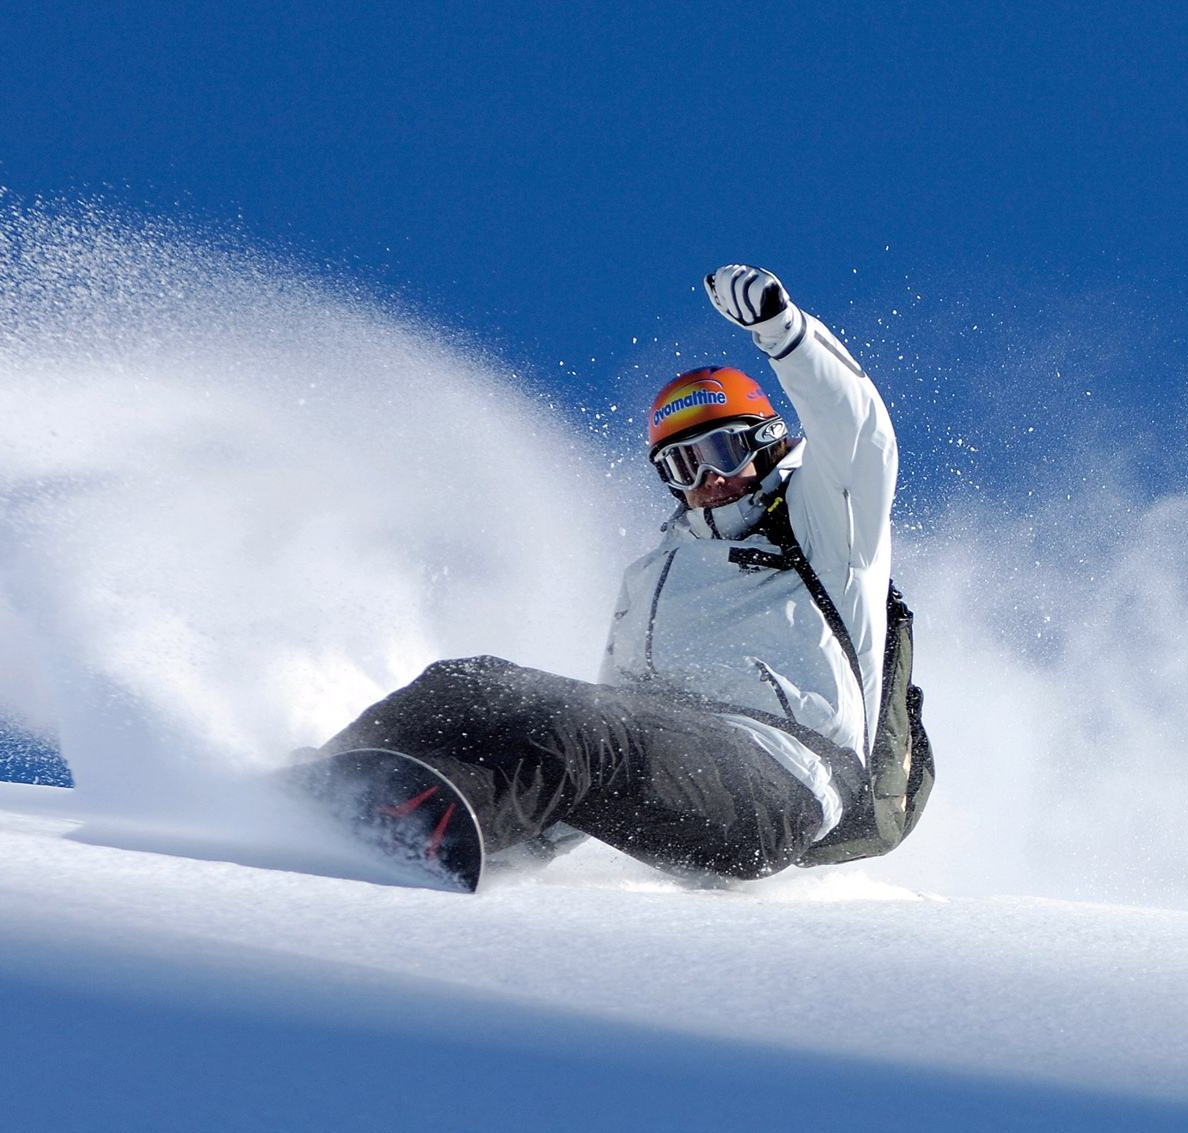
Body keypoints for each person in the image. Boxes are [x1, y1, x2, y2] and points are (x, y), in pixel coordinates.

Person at [316, 263, 896, 879]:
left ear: (766, 441)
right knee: (467, 683)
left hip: (786, 779)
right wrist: (529, 853)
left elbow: (862, 433)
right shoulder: (653, 578)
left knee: (586, 730)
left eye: (720, 453)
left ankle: (418, 842)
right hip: (673, 757)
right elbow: (611, 730)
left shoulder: (827, 527)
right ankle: (326, 788)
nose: (706, 481)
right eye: (681, 467)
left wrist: (786, 333)